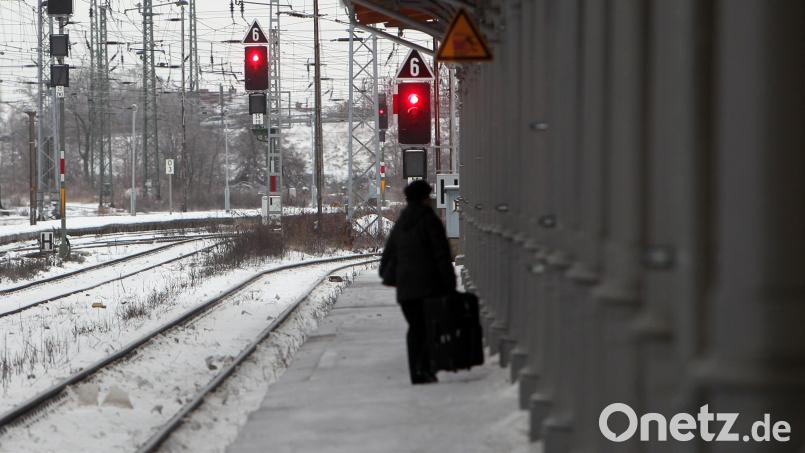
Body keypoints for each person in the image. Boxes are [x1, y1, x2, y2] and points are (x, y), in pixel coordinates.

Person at [379, 180, 456, 384]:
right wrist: (450, 286)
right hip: (429, 287)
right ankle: (425, 369)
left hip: (406, 290)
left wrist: (398, 277)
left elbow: (387, 258)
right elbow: (441, 255)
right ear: (425, 198)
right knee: (429, 328)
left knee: (415, 328)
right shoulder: (429, 220)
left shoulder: (401, 222)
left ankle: (417, 371)